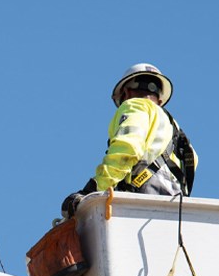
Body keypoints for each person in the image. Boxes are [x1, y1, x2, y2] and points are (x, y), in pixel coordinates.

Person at [63, 63, 198, 217]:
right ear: (160, 100)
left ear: (126, 93)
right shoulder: (176, 131)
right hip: (176, 207)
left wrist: (93, 190)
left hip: (144, 198)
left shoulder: (135, 105)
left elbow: (127, 149)